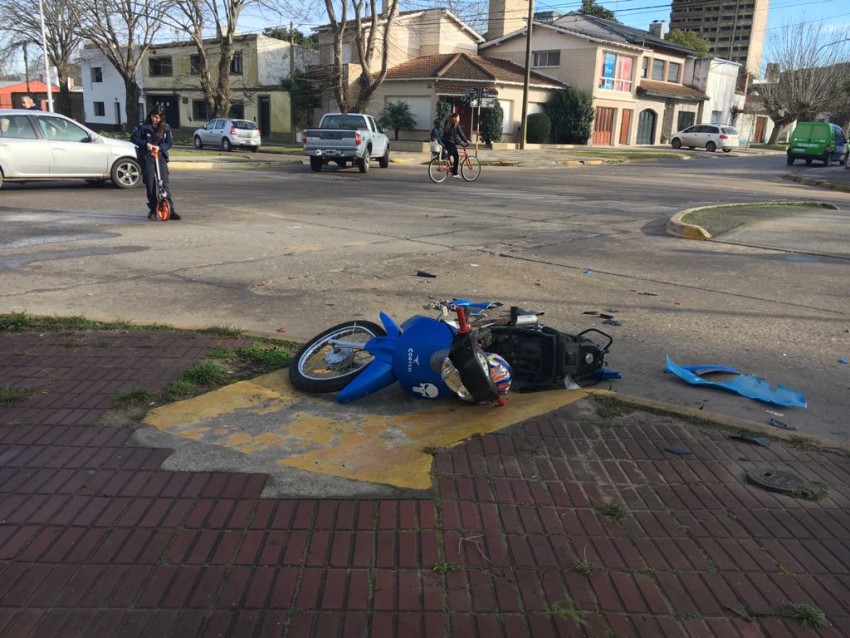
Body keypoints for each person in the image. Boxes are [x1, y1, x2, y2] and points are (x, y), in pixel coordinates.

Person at [131, 105, 180, 220]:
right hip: (147, 158)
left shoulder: (166, 128)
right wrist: (146, 145)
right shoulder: (143, 126)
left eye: (157, 117)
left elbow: (169, 143)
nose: (155, 119)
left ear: (162, 118)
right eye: (153, 116)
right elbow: (133, 138)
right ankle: (153, 209)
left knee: (164, 183)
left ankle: (170, 209)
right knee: (150, 184)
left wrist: (160, 147)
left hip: (160, 157)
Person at [441, 112, 470, 179]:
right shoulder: (455, 124)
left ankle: (446, 159)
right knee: (456, 157)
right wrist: (466, 141)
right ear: (455, 118)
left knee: (451, 153)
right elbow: (461, 134)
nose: (459, 119)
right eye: (458, 117)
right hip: (450, 142)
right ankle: (455, 173)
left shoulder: (447, 122)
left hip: (444, 142)